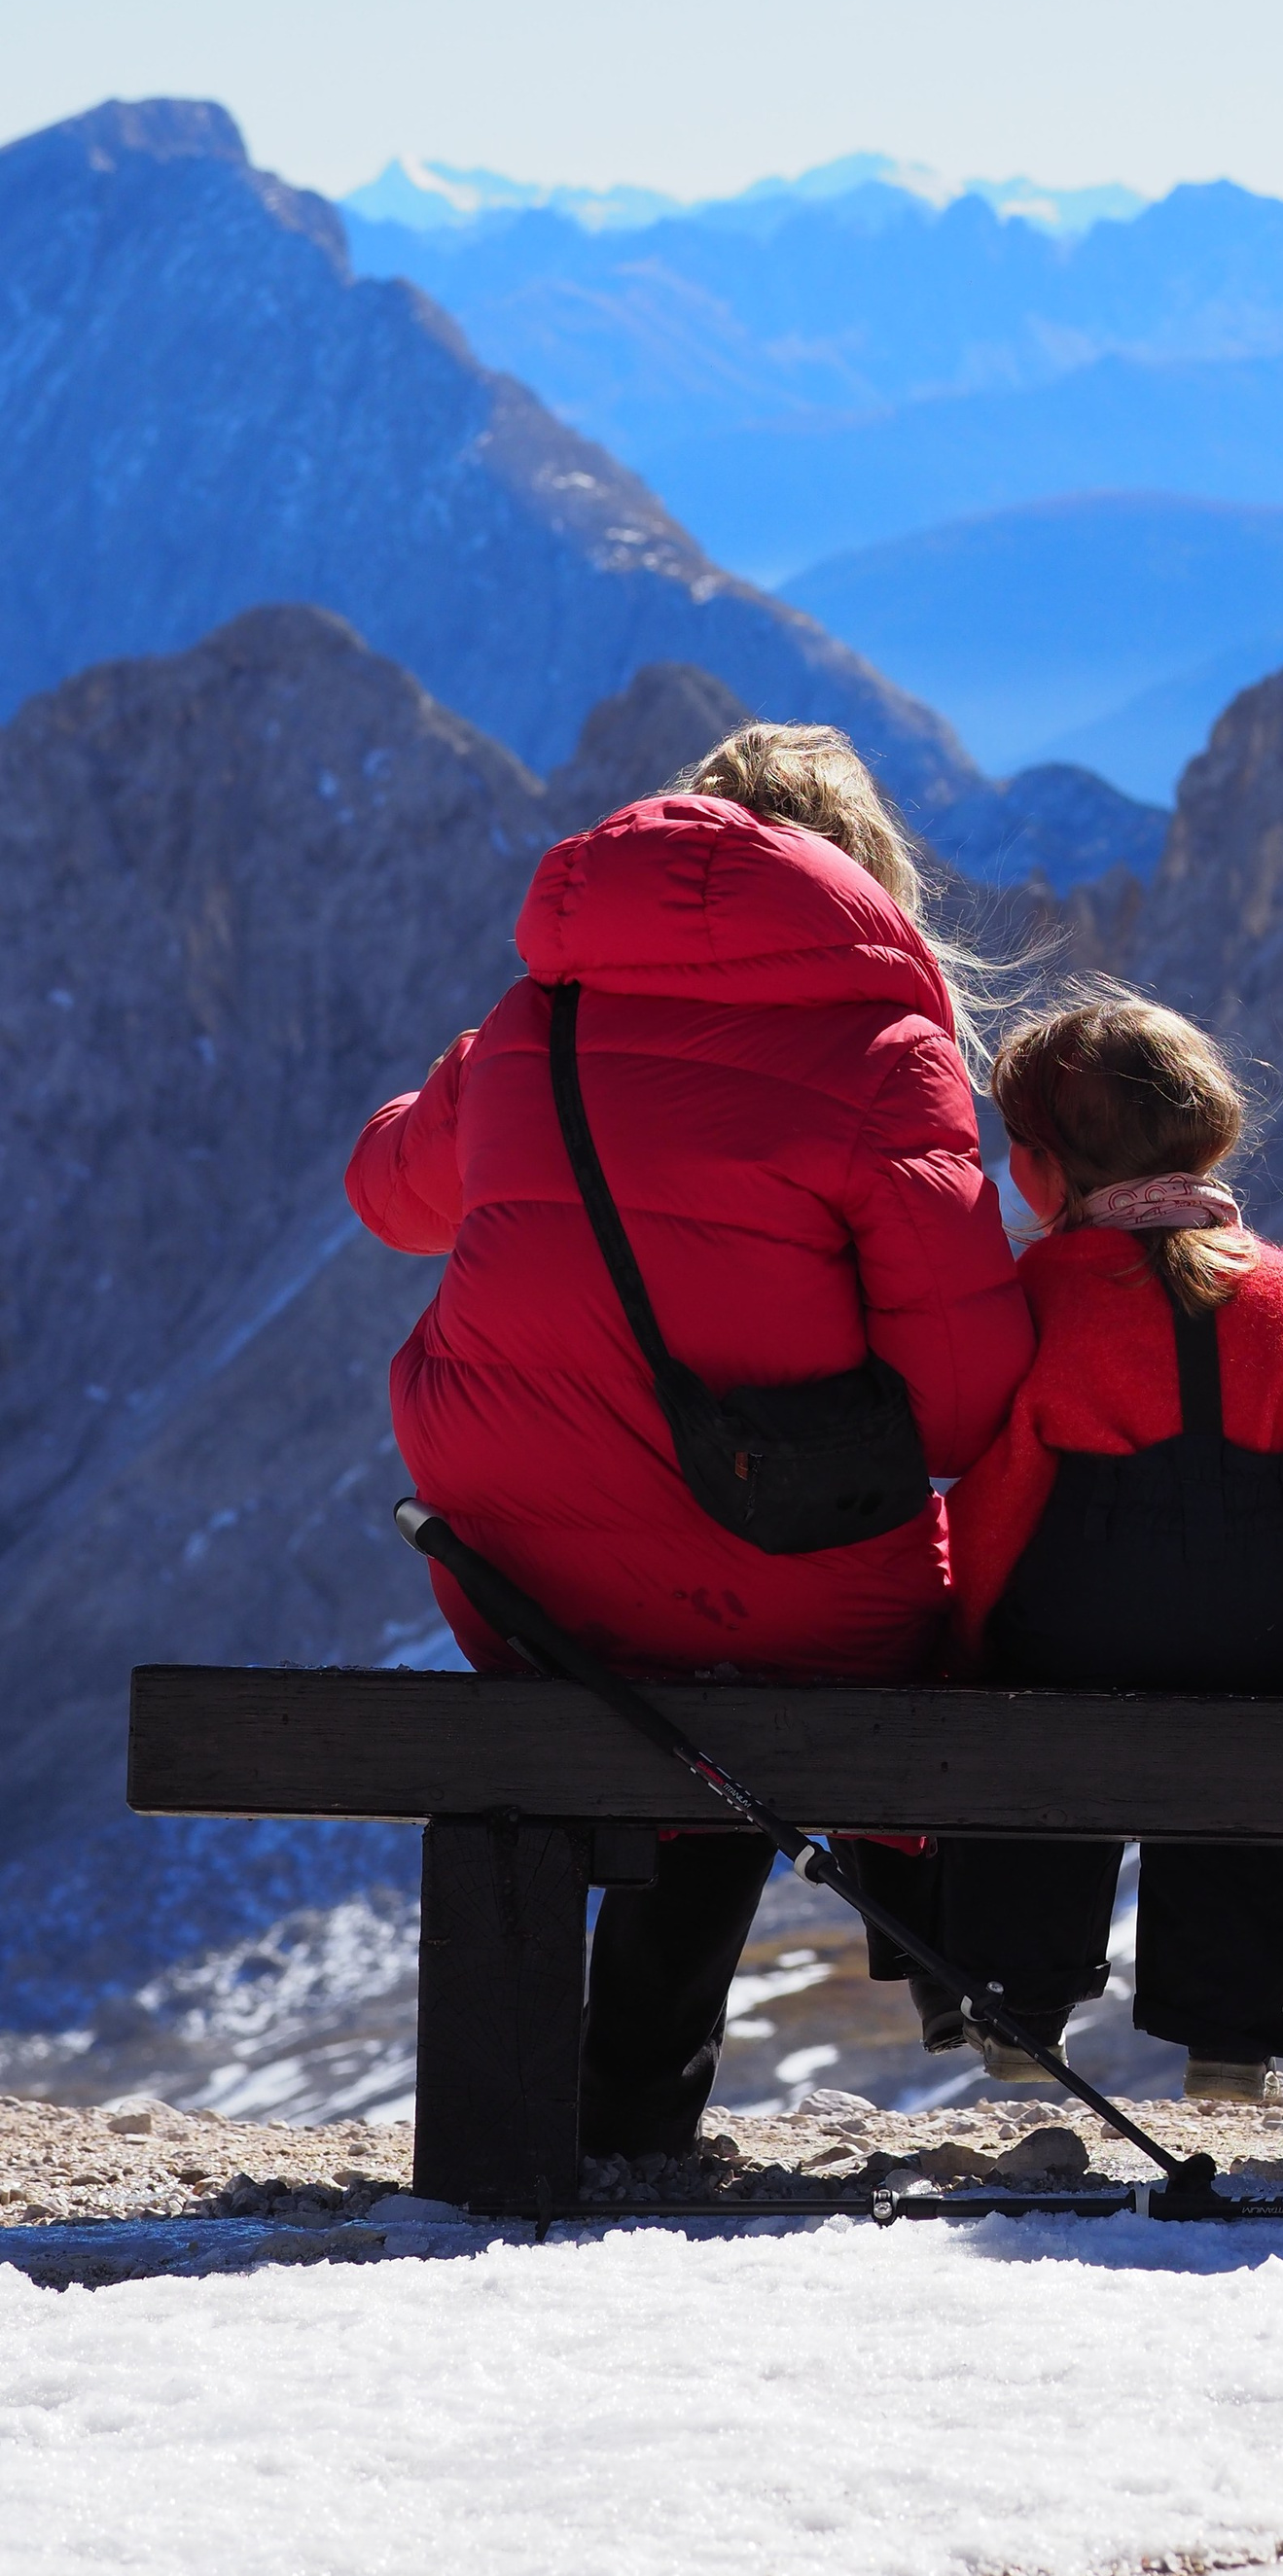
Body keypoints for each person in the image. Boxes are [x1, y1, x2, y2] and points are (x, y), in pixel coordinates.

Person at [345, 721, 1033, 2160]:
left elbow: (390, 1198)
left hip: (519, 1559)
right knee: (868, 1608)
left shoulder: (542, 1018)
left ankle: (595, 2106)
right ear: (863, 872)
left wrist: (467, 1084)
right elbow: (962, 1406)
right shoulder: (888, 1049)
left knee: (672, 1648)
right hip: (776, 1564)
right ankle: (928, 1978)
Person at [935, 993, 1283, 2104]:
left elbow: (998, 1508)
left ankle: (1017, 2006)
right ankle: (1234, 2040)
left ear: (1043, 1169)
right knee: (1238, 1780)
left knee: (1034, 1758)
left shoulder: (1034, 1303)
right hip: (1273, 1644)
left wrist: (957, 1643)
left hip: (1071, 1640)